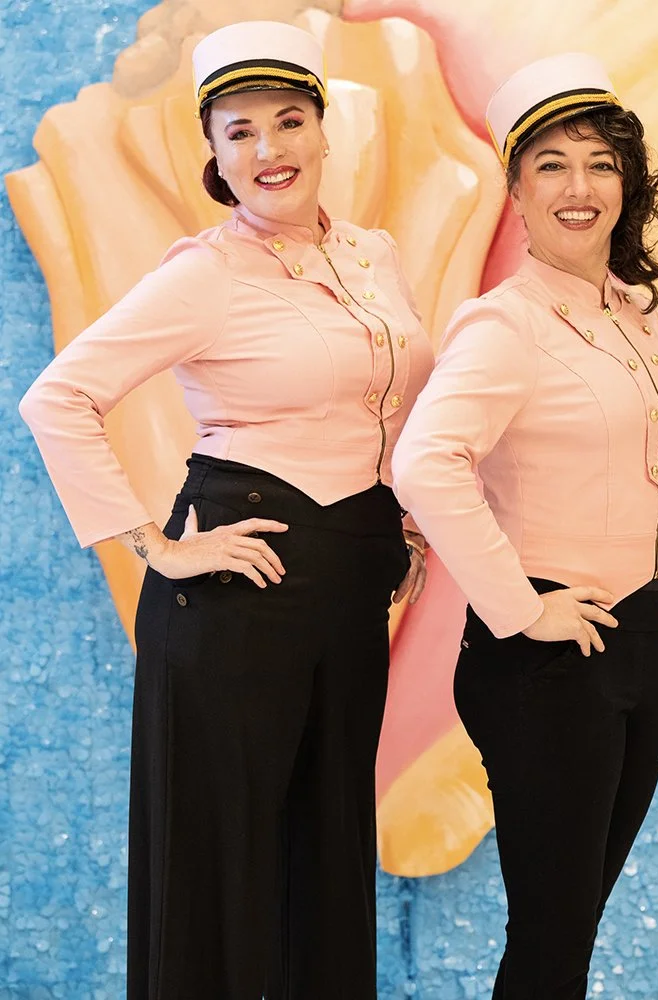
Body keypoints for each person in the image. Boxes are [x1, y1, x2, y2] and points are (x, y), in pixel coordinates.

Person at [19, 20, 433, 1000]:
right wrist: (151, 546)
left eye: (288, 120)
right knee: (221, 872)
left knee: (325, 862)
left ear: (324, 132)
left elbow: (387, 398)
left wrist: (407, 526)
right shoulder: (206, 271)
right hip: (242, 588)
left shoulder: (373, 255)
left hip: (347, 586)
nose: (268, 148)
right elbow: (58, 397)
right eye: (239, 130)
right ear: (213, 154)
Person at [392, 52, 658, 998]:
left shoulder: (634, 315)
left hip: (643, 649)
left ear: (628, 182)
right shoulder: (504, 325)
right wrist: (519, 609)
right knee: (551, 935)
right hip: (544, 668)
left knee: (570, 929)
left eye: (602, 163)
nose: (581, 188)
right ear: (517, 192)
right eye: (553, 165)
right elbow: (423, 462)